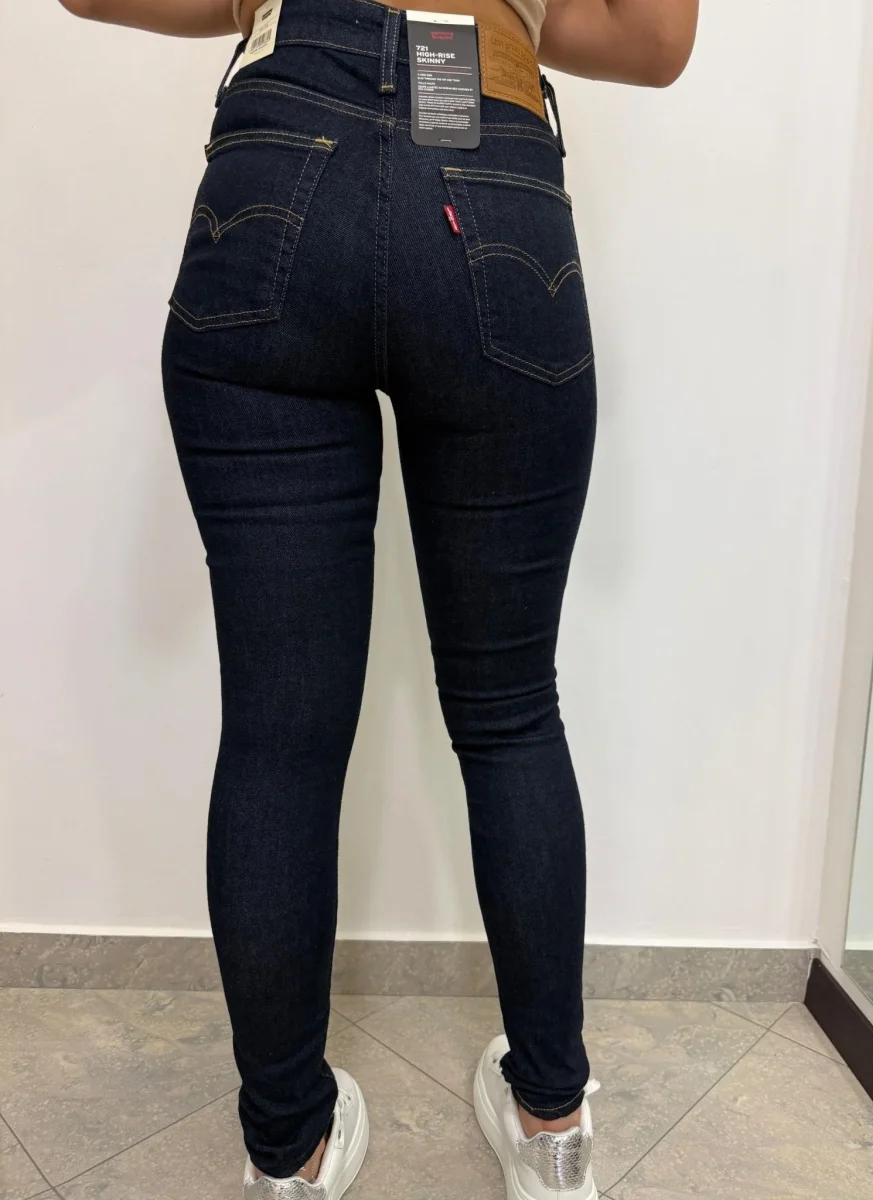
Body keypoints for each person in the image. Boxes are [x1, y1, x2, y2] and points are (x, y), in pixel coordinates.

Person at [57, 0, 698, 1195]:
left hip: (278, 156)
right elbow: (658, 40)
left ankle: (288, 1158)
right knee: (510, 714)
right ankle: (553, 1131)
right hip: (492, 161)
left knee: (278, 736)